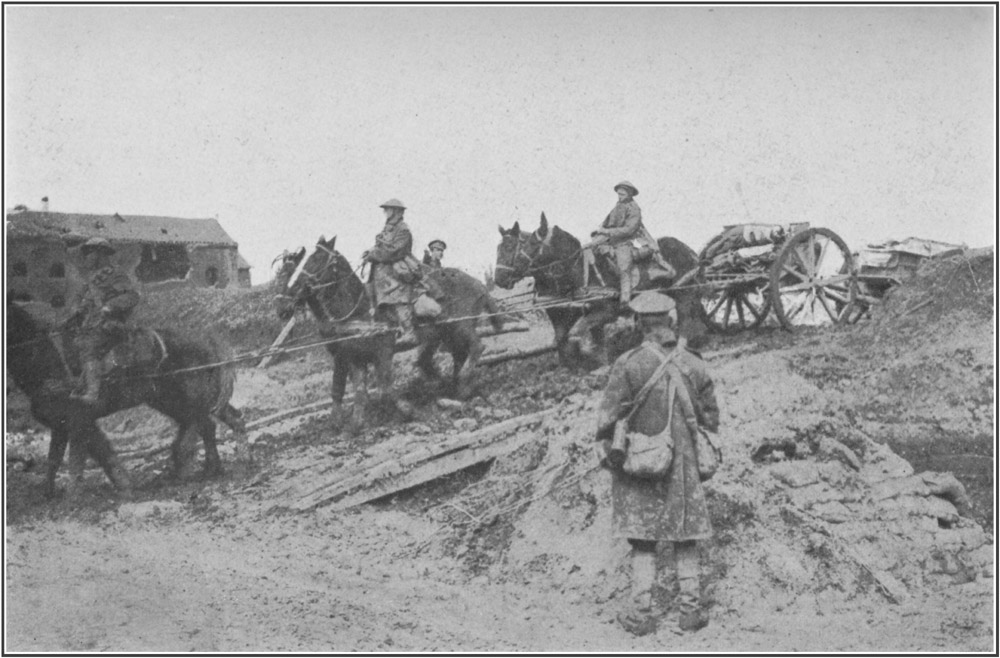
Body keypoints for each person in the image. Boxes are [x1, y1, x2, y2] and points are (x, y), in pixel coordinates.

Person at [594, 290, 720, 635]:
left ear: (637, 323)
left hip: (640, 464)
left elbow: (607, 419)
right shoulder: (693, 362)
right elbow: (711, 419)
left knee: (643, 539)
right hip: (683, 464)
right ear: (672, 320)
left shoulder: (628, 363)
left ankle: (640, 615)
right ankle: (690, 612)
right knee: (685, 535)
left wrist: (613, 453)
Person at [66, 237, 140, 405]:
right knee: (75, 342)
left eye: (89, 253)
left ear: (101, 254)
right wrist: (77, 312)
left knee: (90, 347)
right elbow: (84, 304)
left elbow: (132, 296)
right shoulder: (91, 280)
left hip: (115, 324)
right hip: (94, 325)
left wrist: (111, 306)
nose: (87, 257)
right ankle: (81, 383)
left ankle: (93, 393)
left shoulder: (116, 274)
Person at [583, 181, 675, 303]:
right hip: (612, 241)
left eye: (623, 193)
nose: (620, 196)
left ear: (630, 193)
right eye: (619, 193)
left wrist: (608, 232)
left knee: (623, 266)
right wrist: (593, 242)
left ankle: (625, 300)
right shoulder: (617, 207)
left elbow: (629, 230)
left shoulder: (634, 209)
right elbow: (606, 226)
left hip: (629, 242)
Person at [362, 198, 425, 346]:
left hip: (398, 270)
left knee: (398, 296)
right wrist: (369, 253)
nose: (385, 212)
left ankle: (409, 332)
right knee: (373, 296)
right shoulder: (387, 229)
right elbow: (380, 247)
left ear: (396, 211)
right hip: (382, 273)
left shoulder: (403, 230)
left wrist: (374, 255)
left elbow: (394, 251)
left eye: (388, 209)